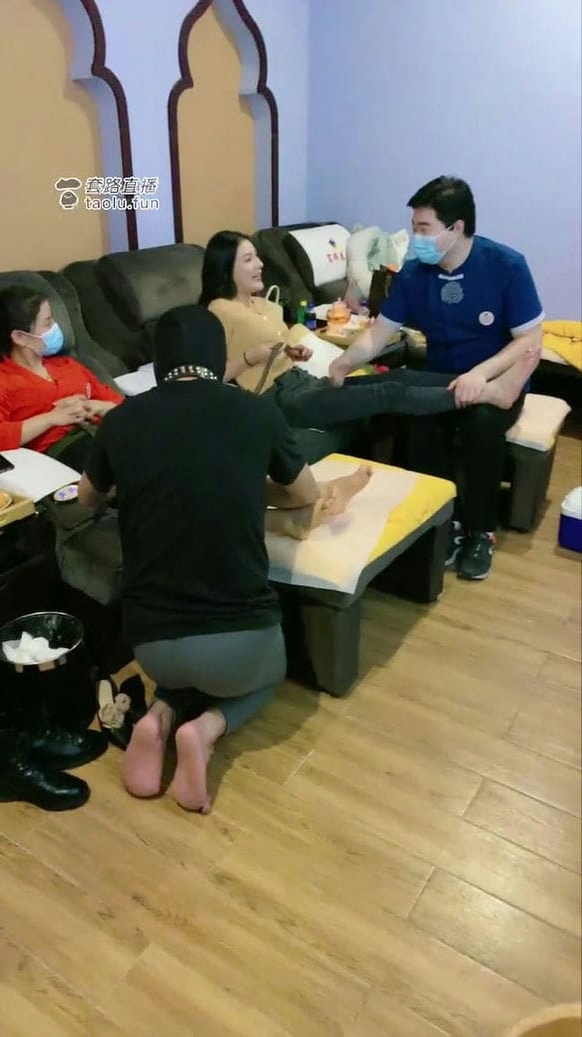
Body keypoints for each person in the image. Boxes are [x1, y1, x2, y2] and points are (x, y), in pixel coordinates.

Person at [78, 306, 371, 814]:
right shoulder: (255, 412)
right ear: (218, 358)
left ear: (160, 362)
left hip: (151, 646)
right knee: (264, 677)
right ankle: (207, 729)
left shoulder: (122, 420)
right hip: (239, 645)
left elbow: (87, 498)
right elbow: (305, 494)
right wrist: (243, 481)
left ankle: (159, 715)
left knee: (182, 676)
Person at [329, 177, 543, 580]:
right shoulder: (415, 273)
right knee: (422, 424)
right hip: (440, 379)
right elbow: (380, 332)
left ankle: (481, 531)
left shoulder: (506, 266)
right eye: (415, 227)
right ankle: (448, 521)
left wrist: (481, 374)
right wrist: (344, 361)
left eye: (424, 228)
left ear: (456, 227)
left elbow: (530, 340)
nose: (417, 238)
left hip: (494, 377)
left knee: (481, 425)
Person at [199, 231, 538, 457]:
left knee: (400, 376)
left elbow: (277, 348)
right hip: (279, 400)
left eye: (257, 257)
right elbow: (209, 377)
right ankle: (488, 392)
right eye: (248, 259)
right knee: (387, 393)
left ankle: (482, 380)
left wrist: (291, 350)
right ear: (225, 267)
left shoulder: (264, 305)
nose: (260, 265)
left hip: (302, 381)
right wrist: (251, 356)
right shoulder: (218, 310)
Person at [0, 287, 123, 470]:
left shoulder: (68, 365)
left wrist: (95, 406)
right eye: (47, 322)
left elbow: (122, 406)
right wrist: (52, 418)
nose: (56, 327)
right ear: (20, 337)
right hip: (61, 455)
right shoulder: (4, 381)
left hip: (106, 434)